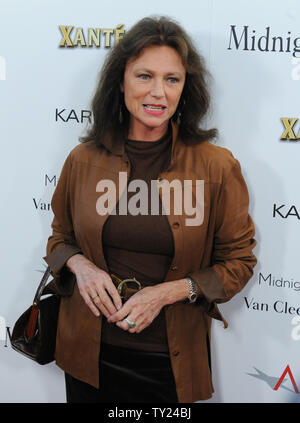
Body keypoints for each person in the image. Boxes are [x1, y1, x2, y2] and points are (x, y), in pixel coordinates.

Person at [44, 16, 257, 403]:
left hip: (168, 365)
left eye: (172, 79)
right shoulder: (82, 159)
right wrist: (82, 267)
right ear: (121, 81)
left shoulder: (216, 166)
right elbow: (60, 238)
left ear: (185, 88)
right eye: (145, 76)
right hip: (86, 355)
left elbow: (239, 263)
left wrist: (167, 293)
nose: (158, 92)